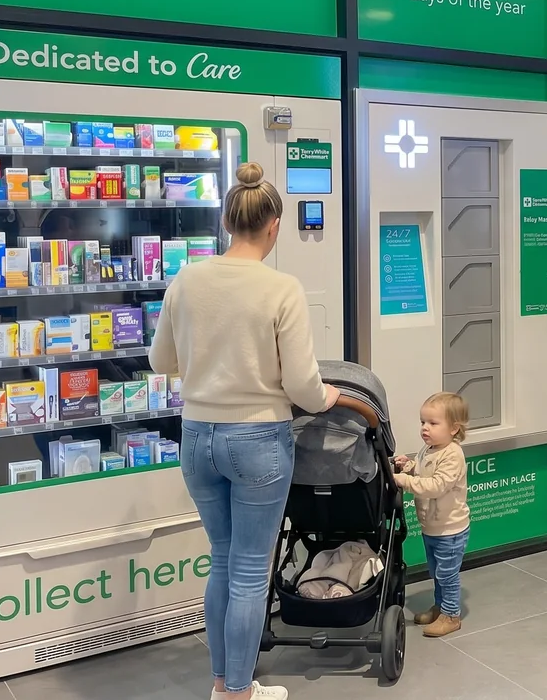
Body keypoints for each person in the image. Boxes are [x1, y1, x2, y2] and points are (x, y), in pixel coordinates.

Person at [149, 162, 341, 700]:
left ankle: (222, 683)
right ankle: (237, 692)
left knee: (222, 559)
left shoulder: (187, 279)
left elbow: (160, 360)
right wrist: (327, 397)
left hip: (196, 437)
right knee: (251, 571)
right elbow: (302, 384)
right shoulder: (281, 288)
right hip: (257, 439)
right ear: (274, 225)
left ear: (227, 221)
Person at [392, 393, 470, 637]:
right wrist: (409, 467)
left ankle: (451, 615)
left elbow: (436, 485)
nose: (425, 428)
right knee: (437, 572)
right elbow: (424, 472)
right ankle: (440, 607)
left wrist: (403, 480)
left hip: (450, 529)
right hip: (432, 527)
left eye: (433, 423)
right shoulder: (429, 449)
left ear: (454, 428)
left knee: (447, 575)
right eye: (423, 422)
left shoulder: (453, 454)